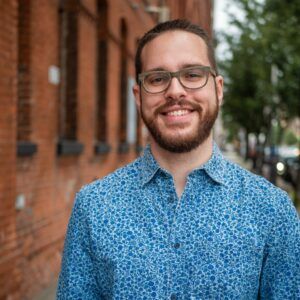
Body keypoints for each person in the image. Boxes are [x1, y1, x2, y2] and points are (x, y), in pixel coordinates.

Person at [57, 19, 300, 299]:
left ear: (218, 89)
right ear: (138, 97)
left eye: (193, 74)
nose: (175, 91)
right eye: (157, 78)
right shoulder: (94, 207)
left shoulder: (272, 211)